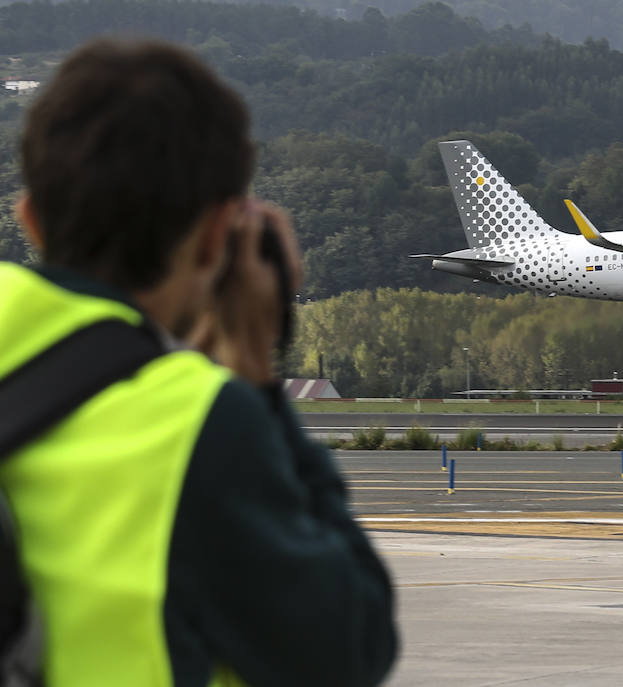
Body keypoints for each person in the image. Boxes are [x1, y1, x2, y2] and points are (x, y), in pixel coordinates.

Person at [0, 39, 396, 685]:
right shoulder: (195, 421)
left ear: (31, 219)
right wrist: (260, 383)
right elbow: (349, 650)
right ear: (219, 234)